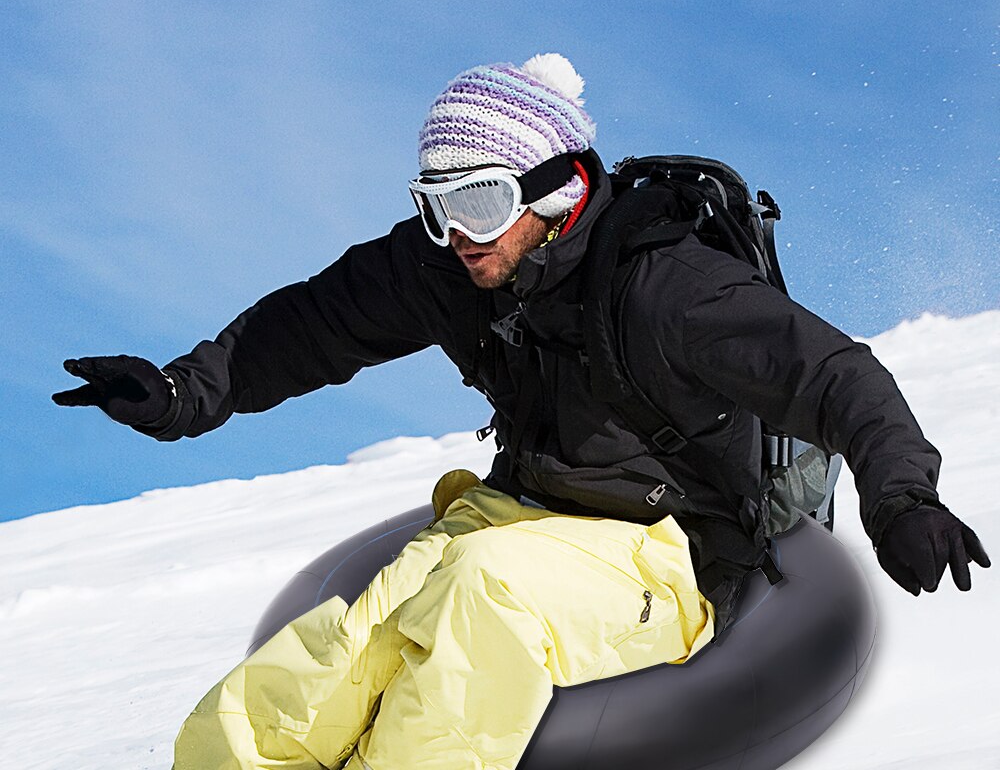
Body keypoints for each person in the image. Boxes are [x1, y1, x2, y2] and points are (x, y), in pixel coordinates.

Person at [54, 53, 989, 770]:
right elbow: (312, 326)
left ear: (559, 188)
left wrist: (903, 501)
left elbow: (834, 376)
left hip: (669, 547)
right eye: (436, 207)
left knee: (477, 604)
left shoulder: (666, 289)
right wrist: (183, 394)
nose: (455, 234)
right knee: (341, 647)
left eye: (480, 201)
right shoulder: (460, 266)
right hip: (520, 512)